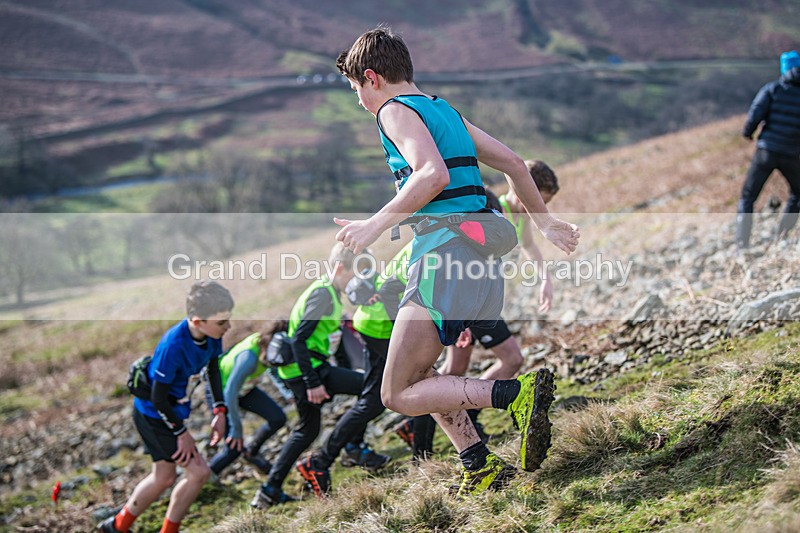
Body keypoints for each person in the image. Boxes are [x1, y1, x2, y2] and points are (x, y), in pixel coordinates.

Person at [333, 26, 579, 496]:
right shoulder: (443, 110)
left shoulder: (392, 110)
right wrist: (544, 222)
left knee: (397, 392)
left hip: (442, 259)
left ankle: (514, 394)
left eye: (356, 91)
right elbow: (512, 162)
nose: (360, 101)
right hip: (480, 262)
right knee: (424, 373)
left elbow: (431, 174)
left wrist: (373, 226)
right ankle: (477, 463)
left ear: (371, 78)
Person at [396, 163, 562, 457]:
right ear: (520, 188)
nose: (539, 207)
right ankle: (424, 443)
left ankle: (463, 424)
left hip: (472, 299)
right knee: (447, 371)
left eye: (545, 204)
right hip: (453, 296)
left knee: (489, 362)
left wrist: (545, 279)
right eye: (539, 199)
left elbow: (528, 246)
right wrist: (463, 319)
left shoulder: (520, 218)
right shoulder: (494, 210)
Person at [98, 280, 234, 533]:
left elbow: (213, 369)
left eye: (228, 319)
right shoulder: (173, 346)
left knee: (163, 478)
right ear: (197, 321)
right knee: (199, 473)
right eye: (222, 322)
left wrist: (220, 410)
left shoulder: (212, 335)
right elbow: (157, 397)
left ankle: (116, 526)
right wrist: (181, 433)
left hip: (168, 413)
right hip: (153, 414)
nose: (228, 327)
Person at [250, 243, 366, 507]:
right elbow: (298, 340)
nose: (355, 281)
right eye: (354, 274)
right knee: (372, 390)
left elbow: (326, 339)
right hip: (306, 372)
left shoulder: (330, 293)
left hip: (310, 368)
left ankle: (269, 490)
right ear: (339, 268)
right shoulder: (323, 294)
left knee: (308, 430)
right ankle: (353, 449)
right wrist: (312, 383)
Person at [205, 321, 288, 478]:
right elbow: (230, 392)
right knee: (233, 448)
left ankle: (251, 453)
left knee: (277, 418)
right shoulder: (249, 357)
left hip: (244, 389)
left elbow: (273, 369)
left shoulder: (271, 349)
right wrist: (236, 430)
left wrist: (288, 394)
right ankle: (203, 482)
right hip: (221, 392)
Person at [736, 50, 800, 250]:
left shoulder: (773, 89)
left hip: (766, 151)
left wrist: (748, 133)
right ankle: (780, 236)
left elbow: (755, 113)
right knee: (797, 194)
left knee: (748, 197)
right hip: (792, 154)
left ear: (784, 69)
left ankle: (742, 245)